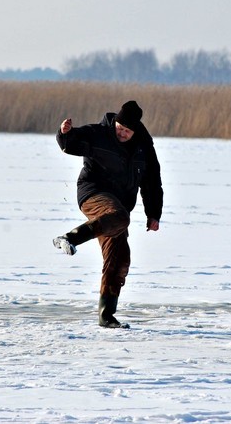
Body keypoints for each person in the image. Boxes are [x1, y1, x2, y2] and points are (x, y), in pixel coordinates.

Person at [53, 100, 163, 328]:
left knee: (120, 257)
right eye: (120, 128)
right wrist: (65, 133)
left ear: (135, 131)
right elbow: (70, 143)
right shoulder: (99, 133)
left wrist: (154, 214)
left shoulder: (144, 148)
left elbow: (152, 183)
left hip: (118, 208)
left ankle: (106, 315)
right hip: (94, 194)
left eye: (127, 131)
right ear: (116, 123)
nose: (122, 133)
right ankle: (70, 238)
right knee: (119, 217)